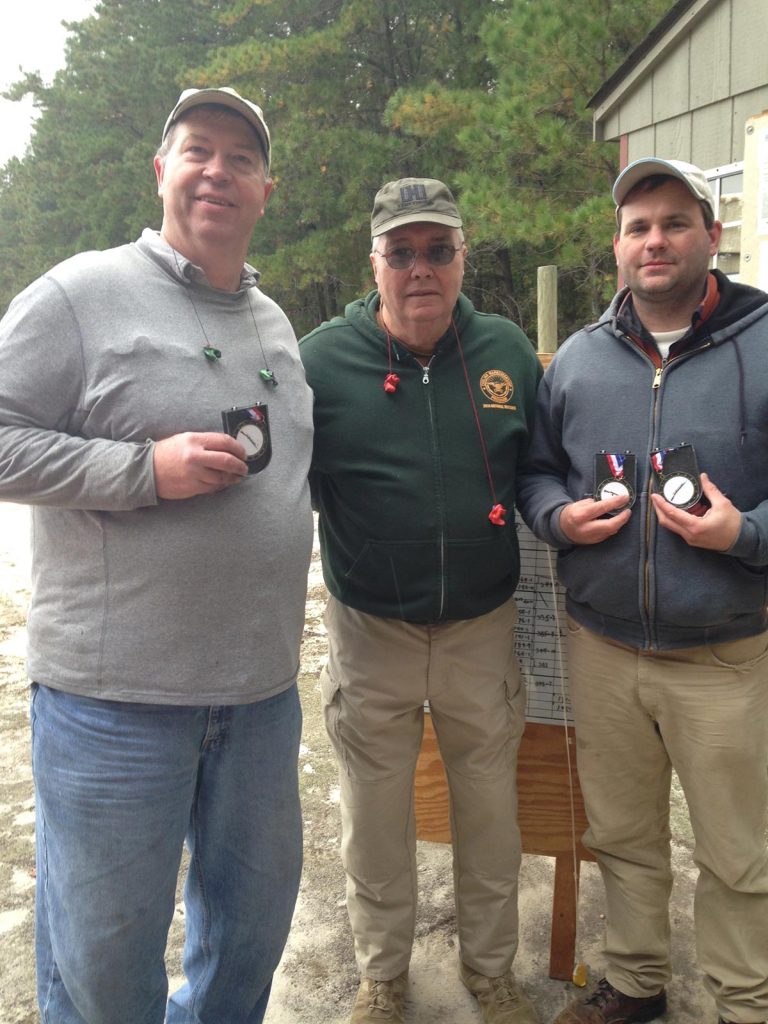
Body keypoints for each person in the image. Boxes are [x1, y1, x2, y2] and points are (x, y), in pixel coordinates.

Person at [0, 87, 314, 1024]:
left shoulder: (275, 325)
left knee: (251, 933)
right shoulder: (78, 294)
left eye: (241, 158)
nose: (218, 170)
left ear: (266, 189)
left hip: (260, 702)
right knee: (103, 959)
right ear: (163, 169)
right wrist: (143, 468)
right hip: (113, 707)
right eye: (197, 149)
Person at [517, 158, 768, 1024]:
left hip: (727, 654)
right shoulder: (580, 360)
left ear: (712, 234)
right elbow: (539, 472)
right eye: (636, 227)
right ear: (617, 248)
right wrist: (559, 519)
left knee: (741, 854)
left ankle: (744, 1003)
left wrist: (745, 534)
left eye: (672, 222)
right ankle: (635, 985)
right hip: (603, 647)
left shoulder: (765, 343)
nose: (653, 240)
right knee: (623, 839)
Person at [300, 178, 542, 1024]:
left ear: (462, 256)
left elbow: (541, 473)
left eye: (438, 250)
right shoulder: (323, 359)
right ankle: (383, 974)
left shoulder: (508, 350)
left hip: (481, 626)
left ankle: (492, 970)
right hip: (371, 631)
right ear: (374, 262)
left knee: (490, 816)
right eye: (400, 252)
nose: (420, 269)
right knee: (373, 819)